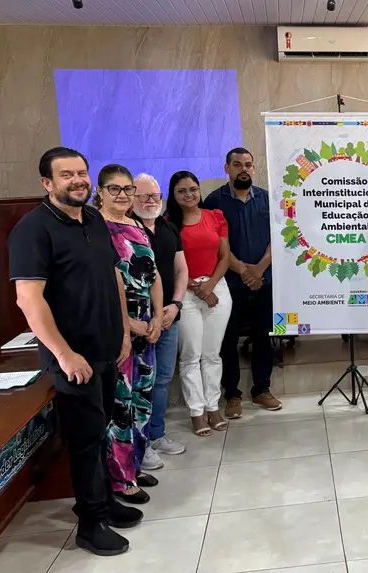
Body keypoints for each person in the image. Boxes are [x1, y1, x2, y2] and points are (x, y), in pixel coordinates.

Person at [8, 147, 142, 556]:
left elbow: (114, 277)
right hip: (72, 357)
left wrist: (123, 331)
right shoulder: (33, 229)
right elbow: (28, 299)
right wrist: (64, 354)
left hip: (106, 348)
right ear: (47, 183)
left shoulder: (94, 219)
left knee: (101, 431)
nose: (78, 180)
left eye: (82, 172)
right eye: (66, 175)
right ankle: (90, 523)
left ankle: (103, 501)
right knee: (84, 439)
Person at [94, 164, 164, 504]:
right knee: (121, 405)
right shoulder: (96, 228)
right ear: (100, 192)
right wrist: (129, 323)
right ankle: (120, 479)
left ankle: (134, 465)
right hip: (119, 325)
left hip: (147, 325)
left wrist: (158, 317)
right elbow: (108, 281)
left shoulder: (136, 224)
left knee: (142, 400)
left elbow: (154, 274)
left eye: (127, 189)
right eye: (114, 189)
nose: (122, 195)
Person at [204, 147, 280, 419]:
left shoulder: (268, 199)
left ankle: (262, 389)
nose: (243, 169)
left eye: (248, 164)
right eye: (237, 165)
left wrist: (260, 269)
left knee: (264, 337)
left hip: (264, 280)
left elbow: (279, 235)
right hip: (229, 283)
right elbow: (213, 243)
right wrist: (243, 271)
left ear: (254, 167)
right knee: (228, 340)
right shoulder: (214, 201)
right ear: (227, 168)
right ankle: (232, 395)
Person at [166, 171, 232, 436]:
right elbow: (168, 263)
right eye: (182, 191)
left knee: (212, 354)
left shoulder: (215, 216)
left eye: (193, 189)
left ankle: (213, 406)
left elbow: (225, 256)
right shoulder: (168, 224)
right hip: (185, 291)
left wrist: (210, 286)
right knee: (191, 355)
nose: (189, 194)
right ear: (173, 195)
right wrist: (196, 287)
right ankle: (197, 411)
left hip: (217, 288)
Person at [132, 174, 189, 466]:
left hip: (169, 316)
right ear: (132, 198)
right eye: (143, 196)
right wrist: (154, 314)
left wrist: (176, 305)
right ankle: (138, 444)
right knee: (140, 382)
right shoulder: (126, 230)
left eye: (154, 196)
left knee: (163, 379)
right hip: (139, 322)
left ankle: (156, 434)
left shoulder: (168, 227)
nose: (150, 201)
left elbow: (181, 270)